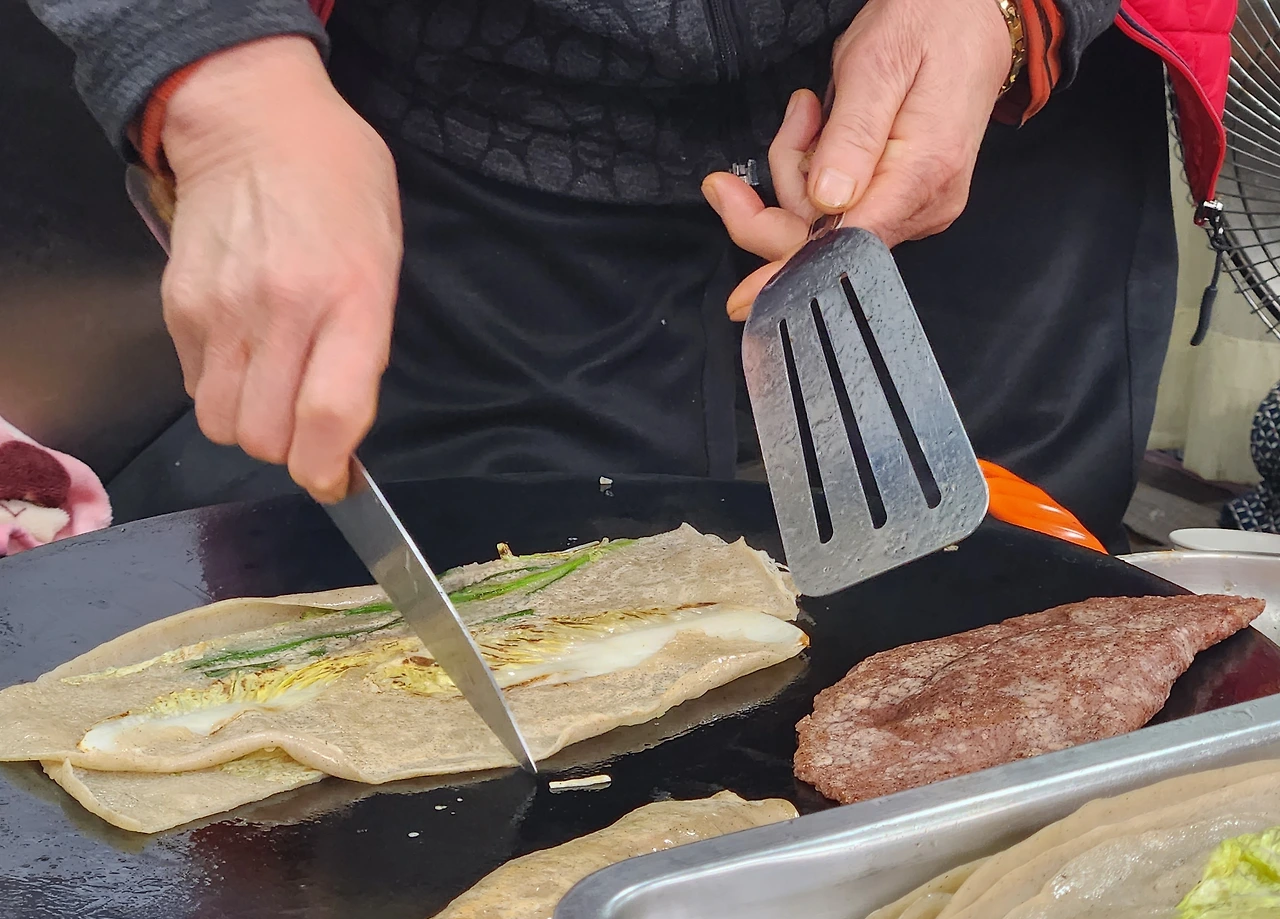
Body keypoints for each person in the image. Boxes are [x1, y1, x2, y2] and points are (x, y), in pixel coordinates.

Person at [28, 0, 1235, 549]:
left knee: (1001, 650)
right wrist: (221, 73)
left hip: (986, 119)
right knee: (463, 689)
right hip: (459, 128)